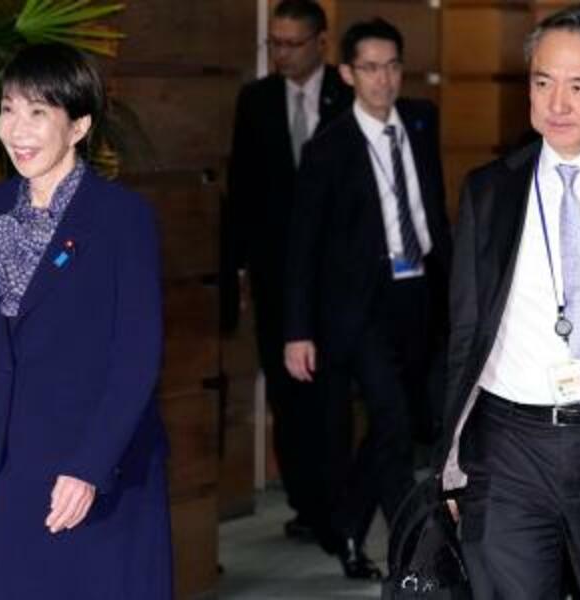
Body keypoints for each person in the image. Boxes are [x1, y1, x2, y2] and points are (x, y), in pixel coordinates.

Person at [0, 43, 172, 599]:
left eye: (38, 112)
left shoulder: (121, 218)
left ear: (78, 126)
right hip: (16, 458)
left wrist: (90, 467)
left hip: (100, 462)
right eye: (8, 109)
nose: (17, 130)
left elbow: (137, 356)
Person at [437, 4, 580, 599]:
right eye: (543, 83)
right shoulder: (490, 191)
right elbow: (466, 333)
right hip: (509, 448)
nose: (557, 104)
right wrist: (452, 456)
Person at [284, 18, 452, 579]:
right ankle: (415, 556)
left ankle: (350, 528)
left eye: (393, 66)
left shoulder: (422, 122)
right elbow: (302, 245)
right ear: (348, 74)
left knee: (395, 426)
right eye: (371, 68)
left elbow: (433, 213)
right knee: (395, 424)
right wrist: (297, 330)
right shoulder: (328, 148)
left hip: (420, 294)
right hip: (360, 308)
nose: (384, 79)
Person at [225, 0, 352, 544]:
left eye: (292, 43)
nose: (281, 53)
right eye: (274, 43)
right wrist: (235, 269)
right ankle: (305, 503)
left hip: (338, 276)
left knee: (333, 393)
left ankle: (336, 503)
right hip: (276, 275)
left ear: (321, 43)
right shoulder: (255, 101)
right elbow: (242, 190)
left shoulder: (348, 95)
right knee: (286, 391)